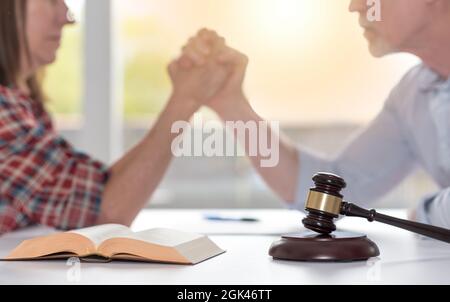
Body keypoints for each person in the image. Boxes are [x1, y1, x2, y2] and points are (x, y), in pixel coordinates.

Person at [179, 0, 450, 228]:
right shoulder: (413, 94)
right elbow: (338, 190)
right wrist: (232, 105)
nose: (355, 6)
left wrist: (424, 213)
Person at [0, 0, 228, 234]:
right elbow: (105, 212)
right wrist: (185, 99)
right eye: (51, 1)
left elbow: (98, 191)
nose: (68, 17)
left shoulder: (23, 106)